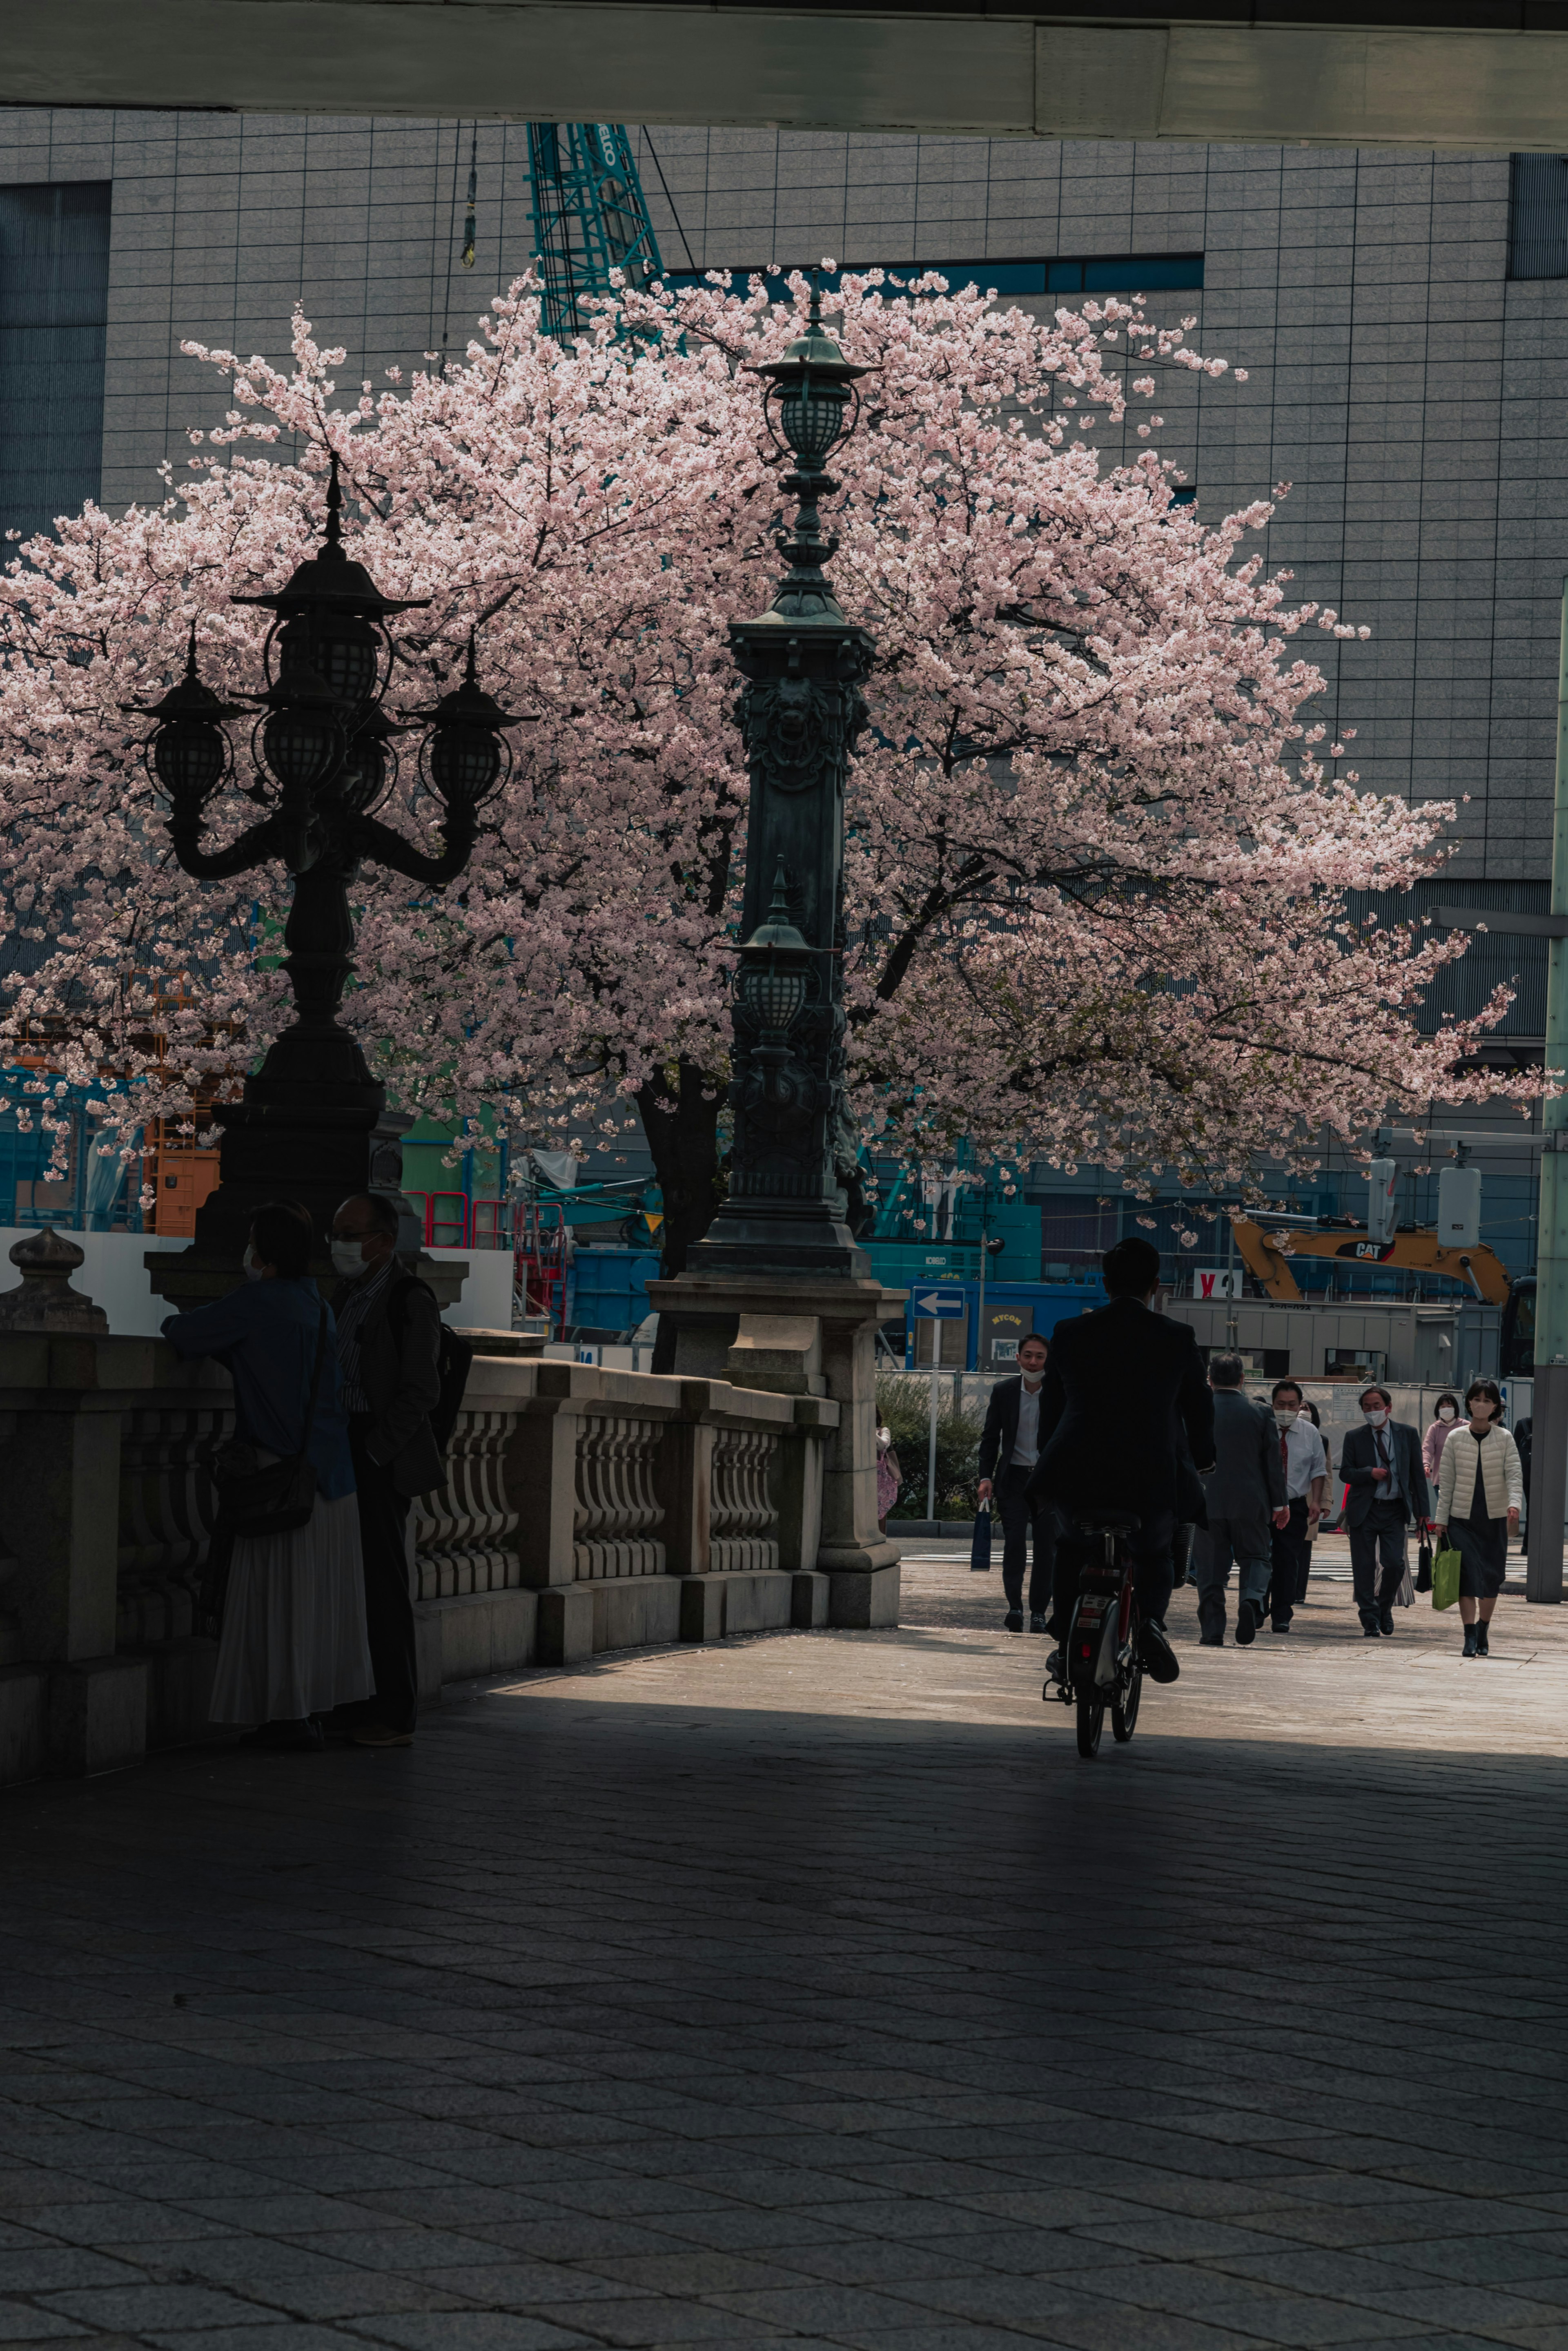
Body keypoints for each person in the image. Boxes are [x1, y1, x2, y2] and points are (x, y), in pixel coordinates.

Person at [163, 1200, 373, 1751]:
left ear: (266, 1252)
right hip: (332, 1477)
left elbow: (181, 1332)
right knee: (317, 1605)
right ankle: (306, 1711)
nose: (247, 1253)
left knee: (274, 1602)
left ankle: (284, 1715)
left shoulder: (256, 1303)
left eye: (253, 1242)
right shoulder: (317, 1306)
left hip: (277, 1476)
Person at [1027, 1236, 1214, 1684]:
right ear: (1155, 1284)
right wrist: (1203, 1459)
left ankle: (1064, 1635)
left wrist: (1048, 1452)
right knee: (1153, 1553)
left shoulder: (1071, 1333)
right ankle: (1149, 1621)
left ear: (1105, 1283)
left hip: (1077, 1470)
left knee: (1071, 1547)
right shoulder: (1176, 1336)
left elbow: (1052, 1408)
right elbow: (1199, 1407)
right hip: (1150, 1474)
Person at [329, 1192, 444, 1748]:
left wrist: (376, 1450)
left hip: (377, 1451)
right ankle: (354, 1702)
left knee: (383, 1584)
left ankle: (394, 1710)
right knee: (349, 1582)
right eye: (337, 1232)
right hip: (344, 1445)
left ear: (382, 1240)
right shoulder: (346, 1293)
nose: (339, 1243)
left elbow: (421, 1388)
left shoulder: (409, 1299)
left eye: (351, 1233)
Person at [1192, 1354, 1286, 1648]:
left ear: (1210, 1379)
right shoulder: (1260, 1412)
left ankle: (1212, 1631)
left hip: (1207, 1501)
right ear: (1243, 1379)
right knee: (1256, 1557)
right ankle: (1252, 1600)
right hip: (1251, 1501)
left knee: (1210, 1570)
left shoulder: (1197, 1410)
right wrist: (1280, 1504)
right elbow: (1273, 1462)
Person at [1434, 1377, 1523, 1657]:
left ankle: (1484, 1627)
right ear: (1469, 1403)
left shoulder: (1505, 1438)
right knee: (1466, 1576)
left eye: (1488, 1400)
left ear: (1496, 1406)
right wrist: (1441, 1519)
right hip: (1461, 1518)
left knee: (1491, 1577)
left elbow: (1514, 1475)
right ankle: (1470, 1634)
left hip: (1494, 1517)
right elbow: (1446, 1482)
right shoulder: (1455, 1438)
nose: (1481, 1405)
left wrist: (1514, 1504)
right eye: (1477, 1399)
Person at [978, 1332, 1056, 1632]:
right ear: (1018, 1357)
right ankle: (1015, 1608)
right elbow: (990, 1438)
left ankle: (1039, 1611)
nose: (1033, 1362)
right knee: (1014, 1546)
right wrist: (985, 1477)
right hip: (1012, 1479)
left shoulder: (1057, 1393)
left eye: (1040, 1357)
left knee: (1046, 1549)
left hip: (1047, 1482)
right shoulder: (1004, 1391)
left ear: (1047, 1360)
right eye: (1028, 1356)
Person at [1340, 1384, 1431, 1639]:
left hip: (1394, 1510)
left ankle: (1384, 1607)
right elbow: (1346, 1472)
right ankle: (1369, 1619)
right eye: (1367, 1408)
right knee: (1364, 1567)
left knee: (1394, 1564)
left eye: (1376, 1406)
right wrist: (1369, 1473)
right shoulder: (1355, 1437)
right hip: (1365, 1511)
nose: (1372, 1411)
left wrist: (1423, 1511)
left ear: (1388, 1408)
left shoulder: (1407, 1434)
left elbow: (1416, 1475)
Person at [1266, 1378, 1327, 1634]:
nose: (1286, 1409)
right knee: (1259, 1559)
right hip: (1263, 1505)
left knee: (1287, 1562)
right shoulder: (1262, 1427)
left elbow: (1318, 1469)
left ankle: (1282, 1614)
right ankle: (1256, 1605)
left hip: (1295, 1506)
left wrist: (1316, 1500)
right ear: (1273, 1403)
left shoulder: (1309, 1432)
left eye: (1292, 1405)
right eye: (1281, 1404)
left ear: (1299, 1405)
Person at [1422, 1392, 1463, 1489]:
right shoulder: (1435, 1428)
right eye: (1443, 1407)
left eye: (1449, 1406)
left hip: (1463, 1480)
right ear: (1438, 1410)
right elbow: (1427, 1450)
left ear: (1455, 1409)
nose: (1446, 1409)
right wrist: (1426, 1465)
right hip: (1441, 1481)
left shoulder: (1465, 1426)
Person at [876, 1422, 902, 1535]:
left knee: (880, 1510)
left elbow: (883, 1444)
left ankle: (880, 1538)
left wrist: (868, 1430)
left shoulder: (883, 1431)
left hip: (880, 1481)